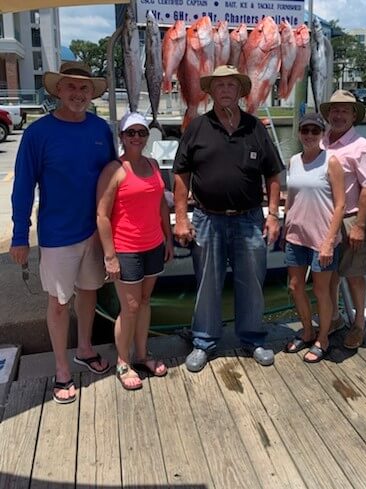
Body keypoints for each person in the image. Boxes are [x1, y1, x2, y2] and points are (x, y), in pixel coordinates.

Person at [10, 61, 115, 404]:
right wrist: (20, 235)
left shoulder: (101, 129)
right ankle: (61, 369)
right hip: (57, 234)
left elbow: (114, 179)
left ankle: (84, 348)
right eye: (70, 87)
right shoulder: (37, 134)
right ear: (58, 90)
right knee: (58, 302)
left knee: (89, 293)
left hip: (95, 233)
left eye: (84, 88)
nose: (78, 93)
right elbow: (23, 187)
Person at [173, 65, 284, 373]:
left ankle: (252, 338)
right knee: (207, 283)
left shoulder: (255, 127)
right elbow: (180, 175)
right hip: (207, 219)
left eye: (230, 86)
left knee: (252, 282)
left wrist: (273, 214)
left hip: (249, 219)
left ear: (239, 91)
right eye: (219, 85)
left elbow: (273, 173)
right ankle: (204, 342)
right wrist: (181, 218)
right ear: (210, 91)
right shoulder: (197, 126)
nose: (224, 90)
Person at [96, 112, 174, 390]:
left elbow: (162, 205)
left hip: (153, 245)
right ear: (122, 137)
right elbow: (102, 216)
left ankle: (142, 355)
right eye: (131, 133)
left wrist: (168, 238)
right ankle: (122, 361)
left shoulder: (153, 165)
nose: (137, 137)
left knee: (144, 302)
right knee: (129, 308)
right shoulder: (114, 170)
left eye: (142, 132)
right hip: (126, 249)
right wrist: (110, 256)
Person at [283, 113, 345, 362]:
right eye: (305, 130)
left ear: (322, 134)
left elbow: (340, 204)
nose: (309, 135)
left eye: (315, 131)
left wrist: (329, 241)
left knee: (322, 290)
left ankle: (324, 337)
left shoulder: (331, 161)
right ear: (299, 133)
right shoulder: (293, 161)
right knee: (295, 287)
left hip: (323, 238)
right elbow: (291, 196)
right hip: (296, 236)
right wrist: (286, 222)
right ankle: (307, 330)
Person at [319, 90, 366, 349]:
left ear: (354, 115)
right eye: (335, 110)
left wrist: (360, 226)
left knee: (354, 275)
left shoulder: (362, 147)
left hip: (350, 218)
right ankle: (334, 318)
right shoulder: (321, 141)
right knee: (328, 276)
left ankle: (360, 323)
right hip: (323, 220)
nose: (339, 115)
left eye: (345, 110)